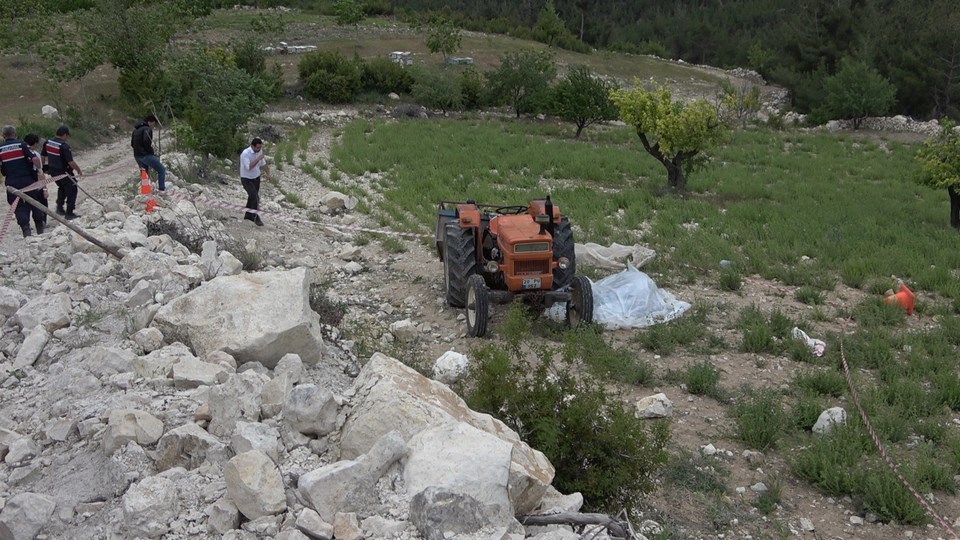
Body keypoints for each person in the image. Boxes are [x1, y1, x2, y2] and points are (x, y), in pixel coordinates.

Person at [0, 125, 44, 237]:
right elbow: (34, 158)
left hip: (12, 182)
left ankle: (26, 230)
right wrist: (39, 170)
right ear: (15, 134)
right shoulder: (22, 145)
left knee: (18, 205)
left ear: (3, 136)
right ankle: (40, 230)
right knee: (34, 201)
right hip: (28, 180)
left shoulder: (0, 148)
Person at [41, 125, 83, 219]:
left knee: (62, 188)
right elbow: (70, 162)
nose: (67, 138)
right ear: (64, 135)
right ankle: (69, 213)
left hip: (53, 171)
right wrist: (78, 170)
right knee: (72, 189)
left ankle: (59, 208)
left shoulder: (48, 142)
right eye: (67, 136)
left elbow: (43, 156)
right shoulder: (64, 146)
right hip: (64, 172)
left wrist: (42, 167)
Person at [239, 137, 271, 226]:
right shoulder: (245, 154)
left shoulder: (259, 152)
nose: (259, 149)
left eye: (260, 148)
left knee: (252, 197)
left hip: (256, 178)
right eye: (257, 148)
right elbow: (248, 167)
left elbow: (263, 164)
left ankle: (248, 214)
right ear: (252, 146)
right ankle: (256, 217)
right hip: (246, 178)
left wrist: (268, 174)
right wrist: (257, 159)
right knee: (255, 197)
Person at [131, 115, 167, 191]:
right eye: (154, 124)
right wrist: (150, 151)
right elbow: (147, 141)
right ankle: (161, 189)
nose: (153, 126)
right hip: (145, 155)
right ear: (151, 122)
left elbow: (132, 144)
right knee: (161, 170)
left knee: (144, 174)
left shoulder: (136, 130)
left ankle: (146, 191)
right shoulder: (147, 129)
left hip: (137, 156)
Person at [22, 133, 48, 234]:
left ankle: (27, 225)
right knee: (41, 203)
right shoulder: (35, 155)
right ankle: (42, 224)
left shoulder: (21, 153)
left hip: (23, 183)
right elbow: (40, 172)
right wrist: (45, 188)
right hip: (36, 184)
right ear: (35, 143)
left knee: (26, 205)